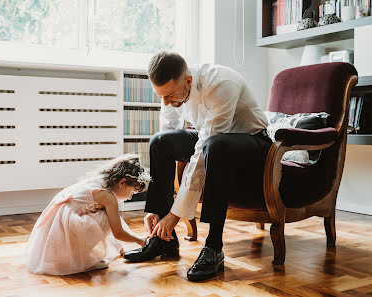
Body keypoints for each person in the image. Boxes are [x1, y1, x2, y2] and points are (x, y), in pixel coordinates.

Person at [123, 51, 271, 282]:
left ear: (188, 81)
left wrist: (175, 214)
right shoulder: (171, 91)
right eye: (160, 96)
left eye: (169, 95)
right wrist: (158, 206)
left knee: (216, 146)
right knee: (160, 142)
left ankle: (214, 248)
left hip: (254, 144)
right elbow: (169, 130)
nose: (165, 102)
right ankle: (163, 240)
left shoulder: (220, 84)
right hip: (215, 140)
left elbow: (203, 153)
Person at [26, 154, 149, 275]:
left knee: (108, 215)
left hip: (55, 225)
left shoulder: (101, 181)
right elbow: (117, 231)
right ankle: (79, 257)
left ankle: (75, 254)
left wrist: (121, 249)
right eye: (132, 192)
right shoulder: (108, 197)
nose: (130, 197)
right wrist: (141, 241)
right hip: (63, 227)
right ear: (122, 182)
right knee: (106, 217)